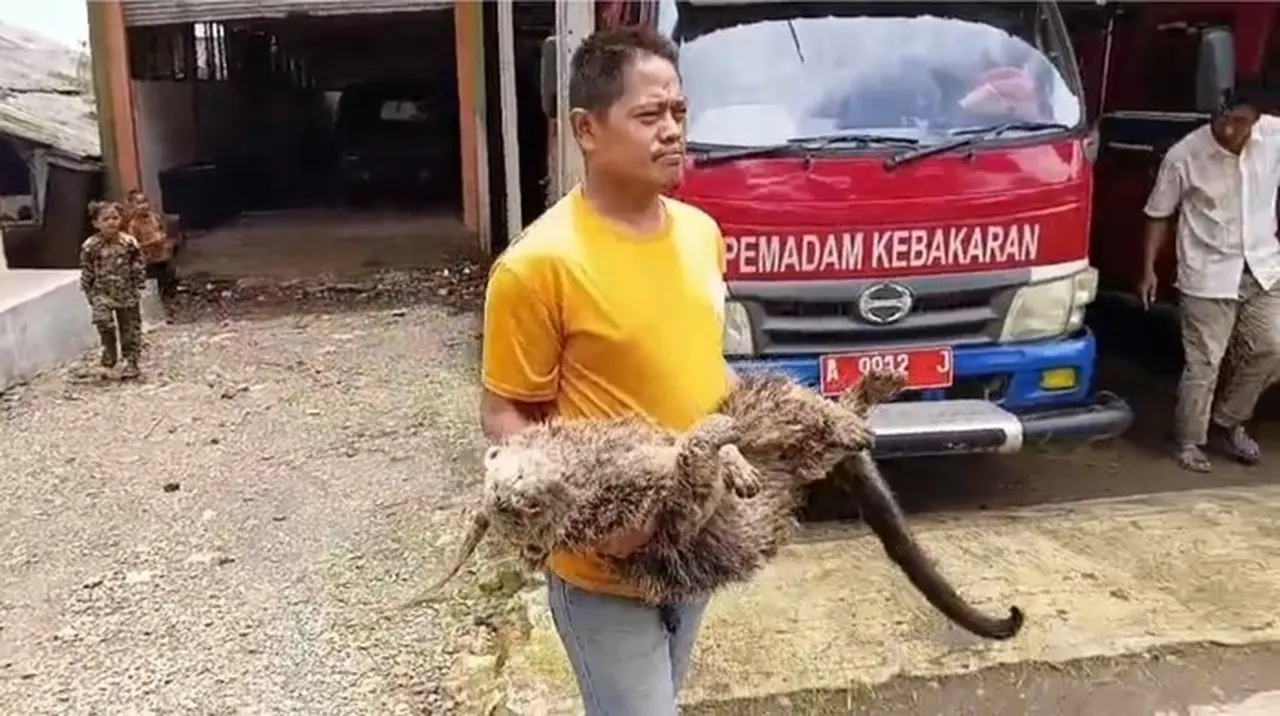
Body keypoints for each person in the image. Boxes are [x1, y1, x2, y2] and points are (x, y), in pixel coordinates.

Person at [479, 26, 732, 716]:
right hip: (602, 567)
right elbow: (507, 417)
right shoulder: (538, 266)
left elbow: (700, 366)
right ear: (586, 130)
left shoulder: (702, 235)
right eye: (650, 116)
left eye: (679, 113)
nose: (672, 131)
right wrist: (594, 525)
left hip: (693, 548)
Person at [1138, 81, 1280, 473]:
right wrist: (1148, 269)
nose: (1230, 130)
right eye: (1225, 120)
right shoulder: (1185, 155)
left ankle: (1228, 421)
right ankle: (1189, 440)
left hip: (1263, 266)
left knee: (1271, 349)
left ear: (1257, 120)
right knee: (1204, 362)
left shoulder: (1273, 136)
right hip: (1208, 271)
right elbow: (1158, 214)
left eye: (1241, 122)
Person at [80, 201, 146, 379]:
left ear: (121, 220)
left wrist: (140, 287)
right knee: (103, 322)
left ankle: (131, 361)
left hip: (127, 292)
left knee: (130, 328)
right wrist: (88, 291)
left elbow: (138, 266)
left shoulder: (129, 243)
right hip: (101, 293)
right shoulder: (90, 246)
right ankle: (109, 353)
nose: (111, 222)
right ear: (96, 223)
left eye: (115, 218)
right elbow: (87, 270)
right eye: (106, 219)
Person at [123, 188, 178, 300]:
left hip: (162, 256)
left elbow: (162, 230)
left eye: (145, 202)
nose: (144, 206)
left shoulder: (154, 217)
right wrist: (150, 243)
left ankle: (170, 300)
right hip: (149, 260)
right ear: (132, 207)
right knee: (153, 284)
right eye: (139, 203)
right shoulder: (133, 225)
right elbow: (135, 245)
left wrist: (164, 239)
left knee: (169, 277)